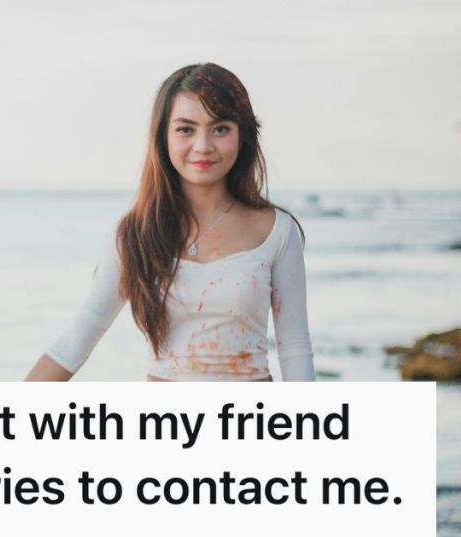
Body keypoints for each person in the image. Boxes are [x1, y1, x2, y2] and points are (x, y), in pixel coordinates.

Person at [27, 63, 315, 382]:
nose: (203, 146)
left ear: (242, 134)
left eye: (220, 128)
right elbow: (75, 341)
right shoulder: (136, 235)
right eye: (185, 129)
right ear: (163, 136)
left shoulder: (276, 231)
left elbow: (295, 349)